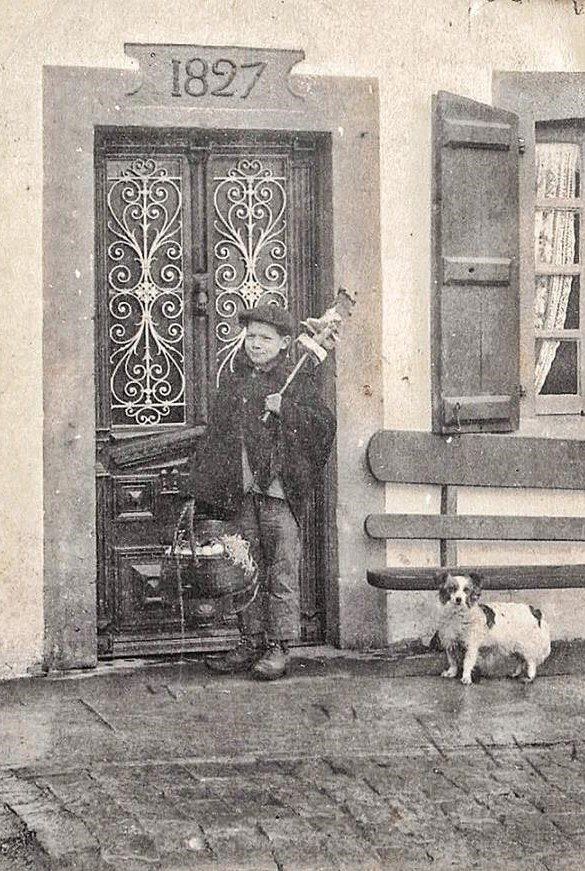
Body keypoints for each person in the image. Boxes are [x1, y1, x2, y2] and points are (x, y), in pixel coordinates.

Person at [189, 303, 336, 679]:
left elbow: (323, 427)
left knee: (281, 568)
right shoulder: (236, 381)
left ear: (285, 342)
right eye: (251, 336)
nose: (255, 344)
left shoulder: (298, 380)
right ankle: (249, 639)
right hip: (241, 492)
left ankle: (279, 645)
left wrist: (286, 408)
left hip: (278, 493)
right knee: (244, 567)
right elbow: (217, 438)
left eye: (265, 338)